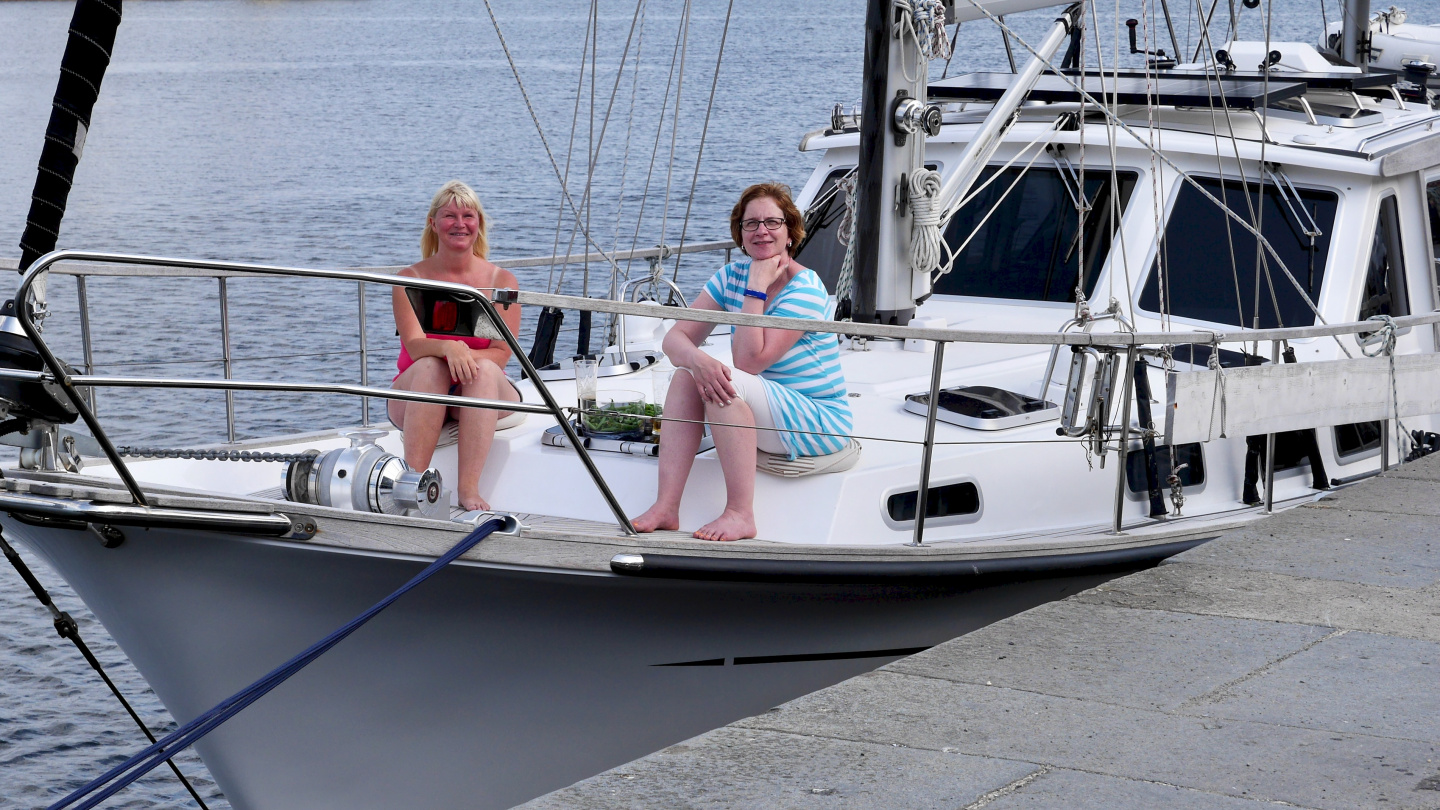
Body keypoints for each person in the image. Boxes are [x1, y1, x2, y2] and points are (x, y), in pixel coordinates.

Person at [633, 182, 852, 541]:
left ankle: (740, 513)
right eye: (751, 224)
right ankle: (666, 506)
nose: (761, 231)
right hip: (769, 412)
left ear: (790, 232)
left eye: (772, 222)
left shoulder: (807, 288)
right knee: (689, 374)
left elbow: (750, 362)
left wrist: (756, 289)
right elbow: (674, 339)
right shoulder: (730, 276)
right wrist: (696, 359)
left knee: (724, 381)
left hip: (818, 420)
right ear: (740, 232)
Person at [389, 180, 521, 512]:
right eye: (449, 216)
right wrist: (450, 348)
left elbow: (503, 353)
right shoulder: (410, 280)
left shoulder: (500, 282)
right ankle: (413, 482)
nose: (459, 224)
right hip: (422, 387)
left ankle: (468, 488)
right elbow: (417, 346)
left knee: (485, 370)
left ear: (479, 224)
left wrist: (464, 355)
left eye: (468, 216)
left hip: (477, 389)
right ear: (433, 223)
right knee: (432, 364)